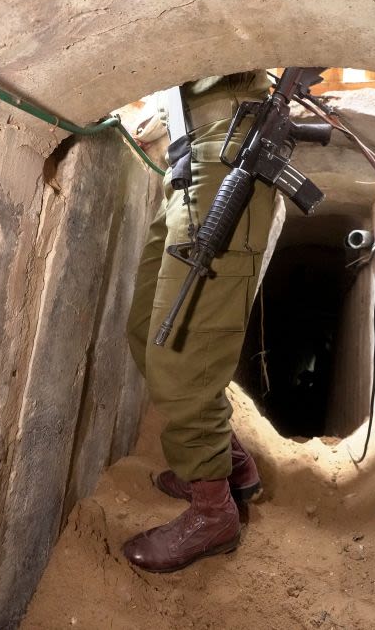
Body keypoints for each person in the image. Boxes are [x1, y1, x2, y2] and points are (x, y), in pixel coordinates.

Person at [123, 71, 277, 572]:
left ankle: (213, 512)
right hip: (190, 158)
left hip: (230, 153)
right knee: (149, 329)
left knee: (184, 349)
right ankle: (228, 464)